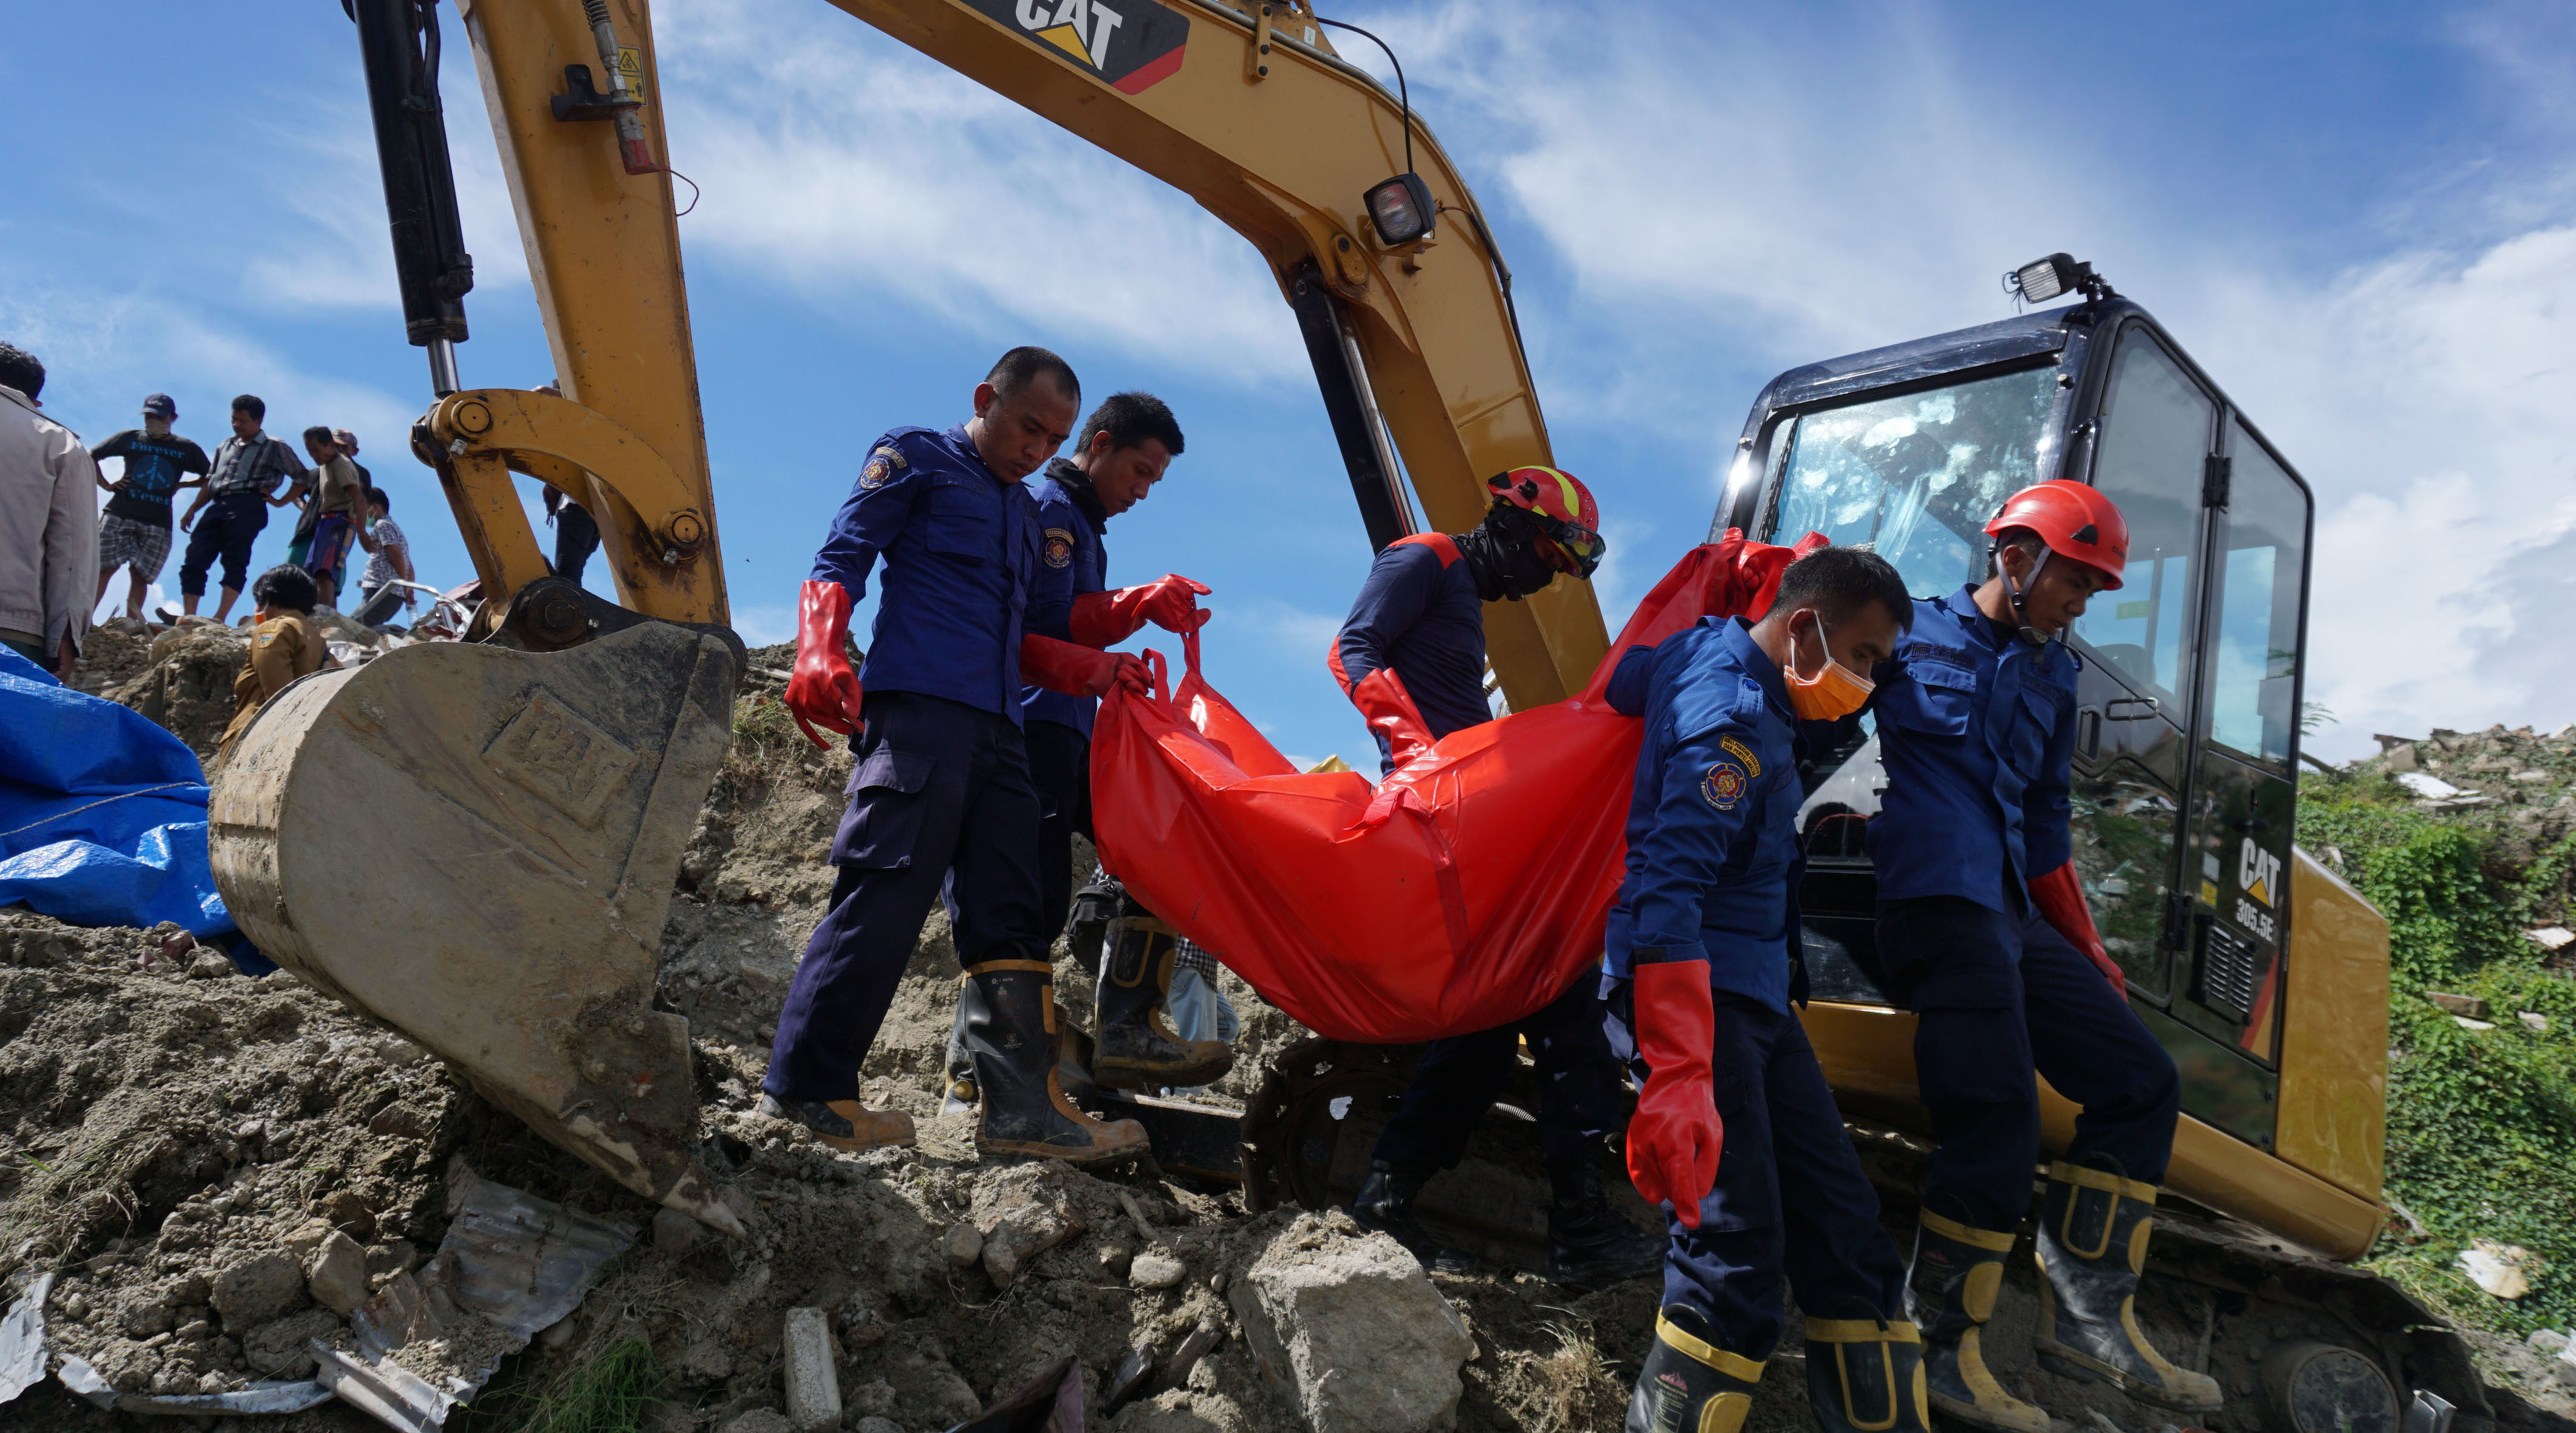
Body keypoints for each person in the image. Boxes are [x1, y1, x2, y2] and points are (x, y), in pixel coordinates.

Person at [1868, 480, 2218, 1426]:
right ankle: (1937, 1350)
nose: (2082, 604)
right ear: (2016, 558)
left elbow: (2047, 824)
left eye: (2096, 589)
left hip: (2012, 910)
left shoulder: (2056, 675)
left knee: (2141, 1080)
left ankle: (2090, 1315)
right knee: (2000, 1114)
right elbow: (1811, 707)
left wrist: (2088, 946)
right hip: (1935, 898)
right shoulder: (1906, 630)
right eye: (2076, 581)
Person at [767, 347, 1168, 1165]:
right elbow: (843, 554)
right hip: (921, 718)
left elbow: (1027, 639)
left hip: (1002, 736)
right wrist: (818, 646)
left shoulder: (1025, 512)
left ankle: (1020, 1110)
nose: (1036, 449)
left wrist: (1096, 670)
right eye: (1028, 427)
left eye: (1050, 437)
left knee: (1013, 912)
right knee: (885, 893)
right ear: (987, 398)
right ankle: (809, 1088)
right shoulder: (916, 455)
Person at [1605, 546, 1928, 1433]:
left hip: (1754, 995)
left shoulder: (1707, 655)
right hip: (1697, 997)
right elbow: (1668, 890)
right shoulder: (1734, 727)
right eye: (1862, 656)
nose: (1866, 683)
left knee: (1848, 1235)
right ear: (1803, 628)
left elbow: (1625, 680)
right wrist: (1678, 1067)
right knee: (1734, 1255)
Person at [1334, 467, 1662, 1291]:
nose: (1542, 581)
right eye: (1546, 559)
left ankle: (1396, 1198)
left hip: (1471, 818)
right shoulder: (1423, 559)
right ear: (1511, 524)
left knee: (1506, 1020)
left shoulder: (1464, 599)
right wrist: (1416, 752)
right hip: (1441, 819)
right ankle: (1574, 1227)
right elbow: (1352, 649)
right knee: (1546, 998)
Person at [934, 392, 1224, 1101]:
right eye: (1139, 471)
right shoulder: (1051, 511)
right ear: (1099, 445)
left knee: (1152, 853)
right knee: (1028, 904)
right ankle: (978, 1076)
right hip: (1034, 727)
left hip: (1070, 731)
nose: (1143, 490)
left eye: (1155, 480)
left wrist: (1136, 608)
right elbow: (1044, 624)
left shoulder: (1082, 525)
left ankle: (1123, 1031)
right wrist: (1137, 603)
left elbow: (1070, 621)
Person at [0, 343, 97, 677]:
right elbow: (72, 551)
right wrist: (66, 636)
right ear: (34, 401)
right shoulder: (61, 444)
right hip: (13, 631)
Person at [177, 395, 306, 624]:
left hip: (249, 503)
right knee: (195, 557)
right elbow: (210, 481)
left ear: (258, 421)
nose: (236, 425)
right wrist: (193, 509)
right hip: (219, 503)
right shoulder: (225, 445)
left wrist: (279, 501)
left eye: (243, 421)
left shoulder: (274, 446)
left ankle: (220, 617)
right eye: (234, 420)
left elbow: (301, 477)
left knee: (235, 559)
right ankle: (189, 617)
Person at [91, 394, 211, 623]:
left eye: (158, 417)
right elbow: (91, 456)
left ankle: (129, 625)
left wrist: (183, 486)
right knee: (103, 570)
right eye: (148, 416)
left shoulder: (186, 448)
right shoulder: (130, 438)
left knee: (141, 577)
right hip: (120, 514)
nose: (152, 421)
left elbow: (211, 477)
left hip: (158, 523)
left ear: (172, 418)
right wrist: (106, 484)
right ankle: (83, 620)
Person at [211, 564, 330, 771]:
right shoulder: (319, 641)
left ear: (269, 598)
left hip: (255, 743)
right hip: (292, 745)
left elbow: (278, 694)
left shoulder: (275, 628)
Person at [298, 426, 366, 609]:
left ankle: (322, 615)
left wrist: (362, 533)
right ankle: (313, 611)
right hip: (325, 522)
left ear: (330, 445)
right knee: (312, 571)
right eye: (310, 452)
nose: (314, 456)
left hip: (339, 522)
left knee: (325, 571)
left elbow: (359, 498)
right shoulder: (324, 466)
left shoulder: (341, 465)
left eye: (316, 450)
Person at [352, 488, 415, 628]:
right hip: (393, 596)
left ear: (375, 508)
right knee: (356, 623)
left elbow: (396, 556)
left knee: (354, 628)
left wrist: (405, 586)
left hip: (382, 591)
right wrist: (409, 590)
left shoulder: (382, 526)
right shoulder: (396, 529)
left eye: (364, 508)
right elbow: (408, 565)